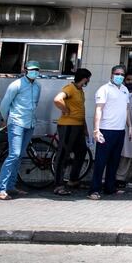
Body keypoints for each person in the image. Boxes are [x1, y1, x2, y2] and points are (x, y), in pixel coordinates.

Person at [0, 61, 42, 200]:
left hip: (30, 123)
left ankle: (11, 186)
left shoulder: (37, 86)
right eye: (32, 69)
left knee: (20, 155)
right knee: (14, 154)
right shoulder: (16, 85)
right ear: (25, 70)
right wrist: (7, 119)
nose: (35, 72)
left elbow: (35, 104)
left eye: (37, 70)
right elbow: (5, 104)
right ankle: (1, 188)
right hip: (16, 122)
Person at [88, 65, 132, 200]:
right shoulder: (104, 89)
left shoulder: (125, 90)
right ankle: (94, 190)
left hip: (120, 131)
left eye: (122, 74)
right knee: (101, 161)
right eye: (117, 74)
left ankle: (110, 187)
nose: (119, 76)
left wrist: (129, 127)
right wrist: (96, 130)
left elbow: (126, 110)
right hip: (106, 130)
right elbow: (98, 110)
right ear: (112, 75)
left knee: (114, 161)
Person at [52, 68, 91, 196]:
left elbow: (81, 110)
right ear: (85, 78)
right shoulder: (70, 88)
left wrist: (85, 129)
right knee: (63, 154)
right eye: (88, 78)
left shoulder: (81, 91)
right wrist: (66, 110)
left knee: (82, 151)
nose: (88, 81)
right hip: (68, 125)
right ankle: (58, 185)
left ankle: (73, 180)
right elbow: (58, 99)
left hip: (78, 126)